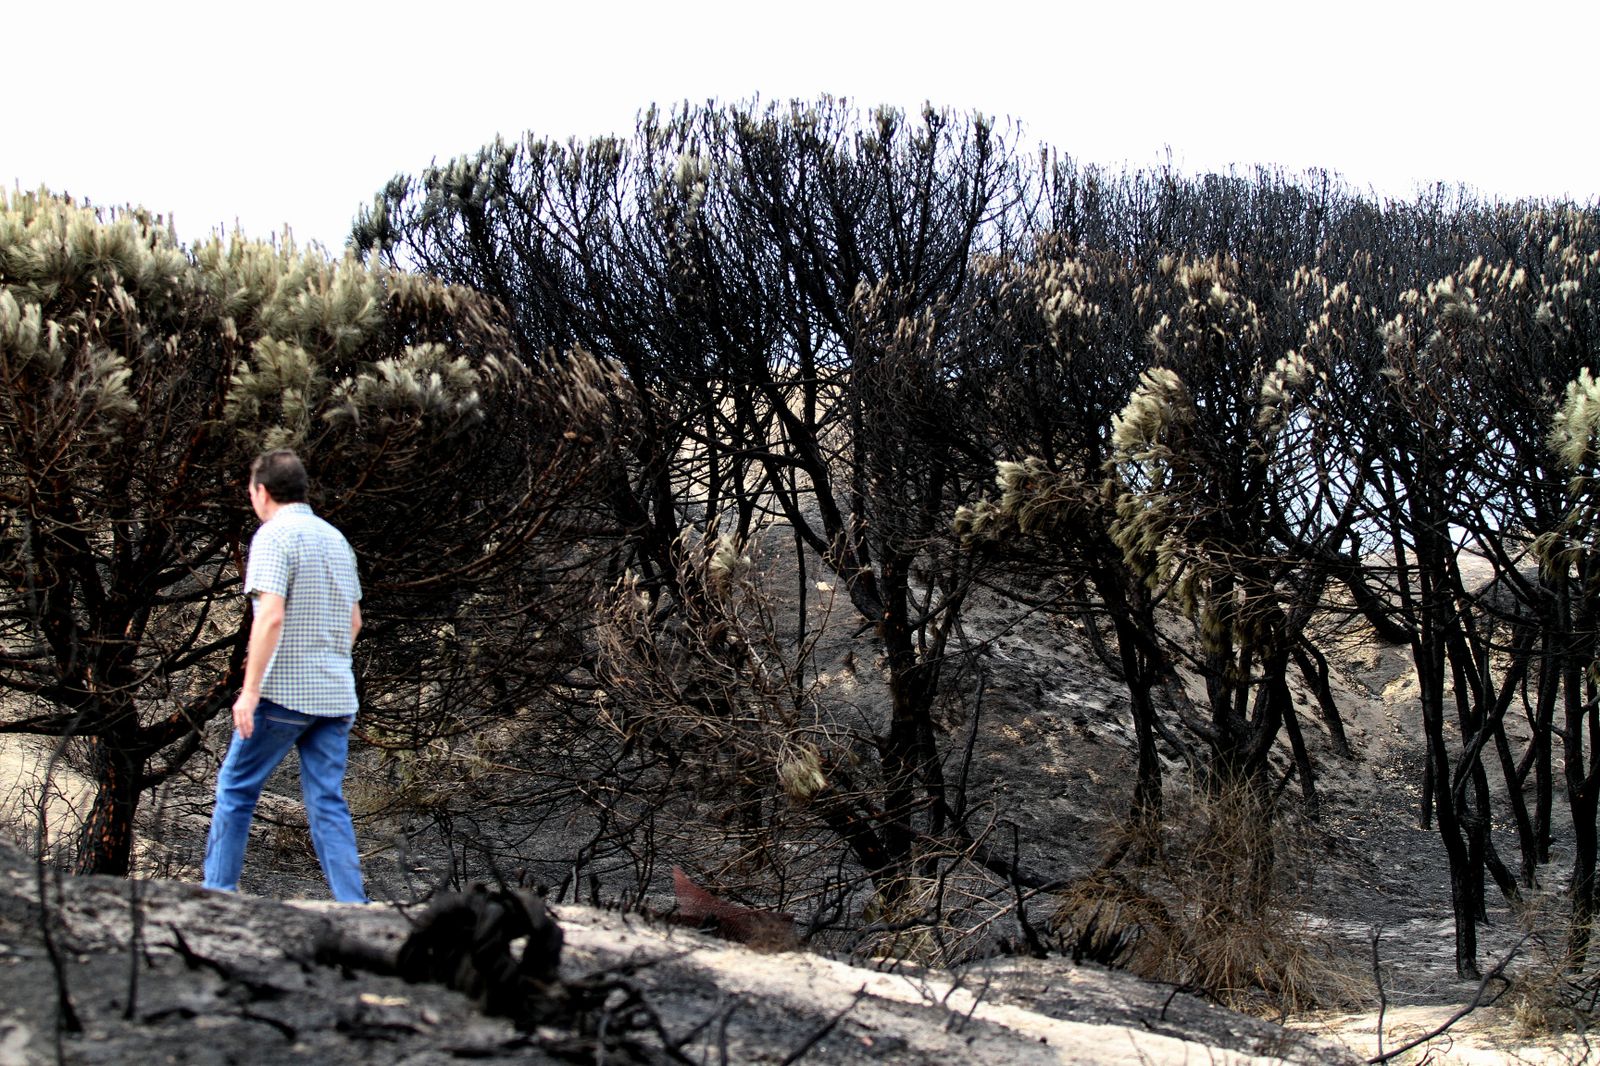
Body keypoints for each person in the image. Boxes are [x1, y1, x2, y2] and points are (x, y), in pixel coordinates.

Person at [202, 449, 368, 902]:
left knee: (236, 788)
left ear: (261, 492)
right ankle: (354, 904)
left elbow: (270, 616)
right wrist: (327, 664)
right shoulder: (335, 538)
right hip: (335, 697)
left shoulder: (273, 536)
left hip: (283, 695)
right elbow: (353, 621)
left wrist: (250, 691)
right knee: (327, 804)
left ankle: (217, 894)